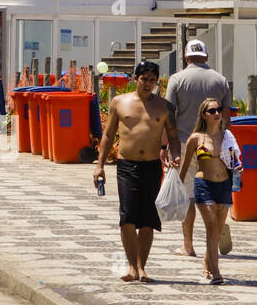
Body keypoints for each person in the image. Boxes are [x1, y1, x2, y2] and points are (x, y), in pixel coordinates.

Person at [93, 61, 181, 283]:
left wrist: (175, 155)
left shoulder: (165, 106)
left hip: (152, 166)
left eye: (152, 80)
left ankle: (142, 267)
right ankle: (131, 266)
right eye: (144, 79)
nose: (148, 84)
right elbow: (108, 134)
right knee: (128, 218)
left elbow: (173, 136)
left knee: (148, 220)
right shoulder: (119, 102)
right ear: (136, 78)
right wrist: (100, 165)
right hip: (126, 166)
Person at [164, 38, 232, 258]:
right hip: (213, 145)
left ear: (185, 57)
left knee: (189, 195)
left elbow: (169, 115)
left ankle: (188, 245)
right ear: (207, 57)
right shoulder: (220, 80)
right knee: (212, 193)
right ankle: (216, 233)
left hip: (184, 142)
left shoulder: (177, 79)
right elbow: (227, 117)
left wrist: (165, 145)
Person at [177, 97, 239, 284]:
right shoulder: (196, 138)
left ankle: (207, 263)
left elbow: (235, 160)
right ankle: (217, 272)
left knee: (218, 230)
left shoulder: (227, 136)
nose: (217, 113)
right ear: (203, 115)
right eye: (212, 111)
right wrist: (177, 188)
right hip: (204, 185)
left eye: (218, 110)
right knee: (211, 228)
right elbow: (186, 166)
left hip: (224, 186)